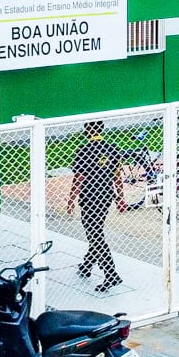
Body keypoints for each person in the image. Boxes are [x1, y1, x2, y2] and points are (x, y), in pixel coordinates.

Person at [69, 120, 124, 293]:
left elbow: (79, 178)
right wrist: (121, 198)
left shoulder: (83, 151)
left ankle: (111, 273)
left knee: (94, 233)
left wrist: (71, 199)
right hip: (106, 196)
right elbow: (117, 176)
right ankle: (87, 265)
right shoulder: (112, 149)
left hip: (90, 197)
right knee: (96, 229)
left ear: (87, 130)